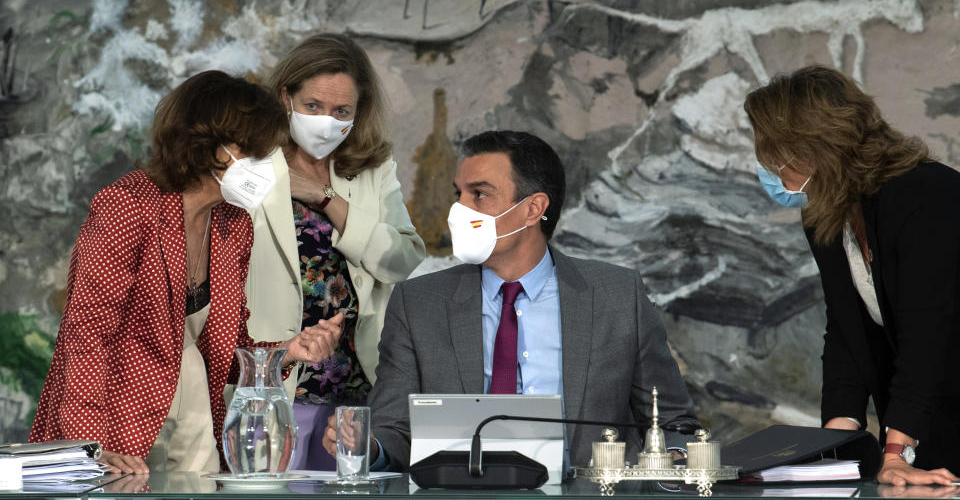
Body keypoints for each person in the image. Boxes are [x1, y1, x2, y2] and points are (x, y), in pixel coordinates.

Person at [321, 130, 700, 470]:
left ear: (533, 209)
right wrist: (366, 445)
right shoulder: (418, 303)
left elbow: (673, 423)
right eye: (460, 194)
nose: (459, 210)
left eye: (480, 194)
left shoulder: (618, 296)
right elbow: (393, 429)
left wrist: (676, 458)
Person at [30, 71, 344, 474]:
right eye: (254, 150)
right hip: (115, 418)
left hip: (195, 416)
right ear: (208, 142)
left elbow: (228, 346)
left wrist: (287, 351)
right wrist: (88, 448)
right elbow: (88, 335)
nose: (268, 164)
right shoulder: (125, 207)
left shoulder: (234, 224)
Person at [744, 65, 960, 486]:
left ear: (811, 148)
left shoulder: (927, 197)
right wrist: (835, 439)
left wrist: (896, 450)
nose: (765, 164)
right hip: (929, 428)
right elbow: (846, 330)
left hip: (932, 413)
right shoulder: (824, 212)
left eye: (772, 151)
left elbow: (927, 333)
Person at [245, 34, 425, 470]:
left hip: (356, 396)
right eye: (313, 106)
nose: (326, 121)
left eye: (341, 111)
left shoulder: (372, 168)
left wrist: (326, 198)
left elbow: (402, 258)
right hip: (273, 388)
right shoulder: (248, 164)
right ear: (285, 96)